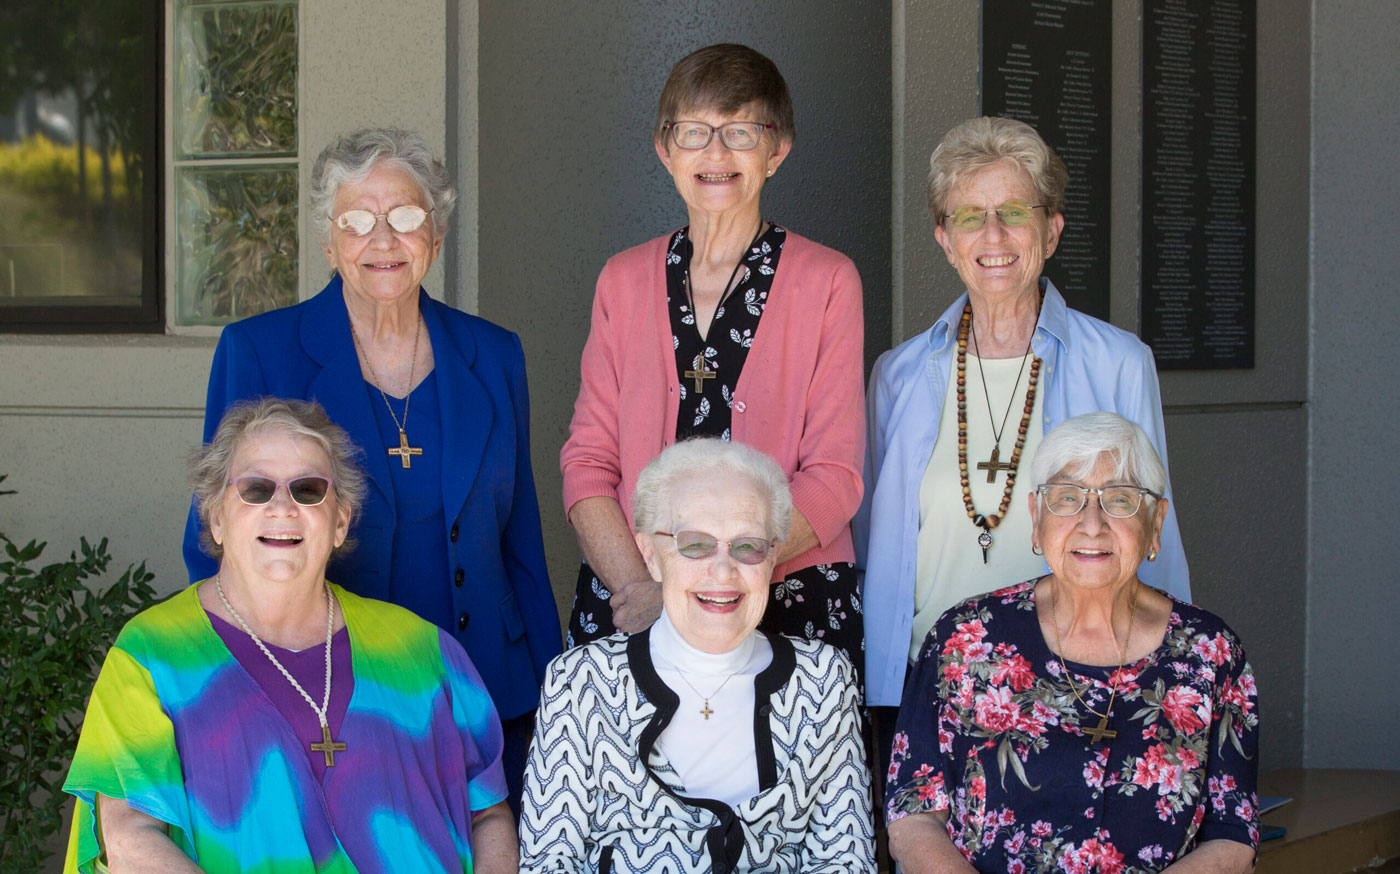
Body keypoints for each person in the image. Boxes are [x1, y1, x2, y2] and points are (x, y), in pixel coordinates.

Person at [181, 128, 560, 806]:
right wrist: (244, 695)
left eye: (407, 218)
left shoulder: (494, 353)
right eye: (357, 221)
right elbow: (215, 542)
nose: (383, 241)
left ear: (435, 237)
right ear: (329, 243)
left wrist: (555, 698)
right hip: (327, 699)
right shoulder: (261, 352)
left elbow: (520, 539)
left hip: (485, 692)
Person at [65, 399, 517, 873]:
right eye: (256, 488)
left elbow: (488, 815)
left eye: (308, 489)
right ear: (216, 517)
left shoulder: (425, 650)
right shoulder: (152, 656)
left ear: (340, 521)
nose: (282, 507)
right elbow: (129, 839)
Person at [857, 116, 1190, 720]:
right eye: (969, 216)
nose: (993, 234)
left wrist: (1169, 689)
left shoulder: (1119, 364)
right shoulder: (897, 376)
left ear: (1051, 230)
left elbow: (1153, 542)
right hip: (929, 687)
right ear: (944, 238)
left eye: (1014, 211)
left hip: (1077, 684)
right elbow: (871, 550)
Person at [562, 44, 866, 683]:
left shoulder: (829, 280)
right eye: (695, 133)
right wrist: (649, 592)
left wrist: (724, 587)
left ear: (776, 150)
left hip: (783, 599)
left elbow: (835, 476)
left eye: (741, 134)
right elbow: (588, 465)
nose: (716, 154)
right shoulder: (621, 281)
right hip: (633, 598)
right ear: (665, 149)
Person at [886, 413, 1258, 873]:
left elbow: (1234, 835)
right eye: (1068, 498)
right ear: (1036, 518)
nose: (1092, 524)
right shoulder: (964, 639)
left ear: (1156, 522)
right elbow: (913, 814)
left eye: (1120, 499)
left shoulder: (1211, 653)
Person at [521, 438, 874, 872]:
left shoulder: (822, 681)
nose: (723, 571)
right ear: (651, 556)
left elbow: (845, 860)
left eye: (748, 546)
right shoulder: (580, 684)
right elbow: (548, 863)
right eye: (695, 545)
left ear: (773, 556)